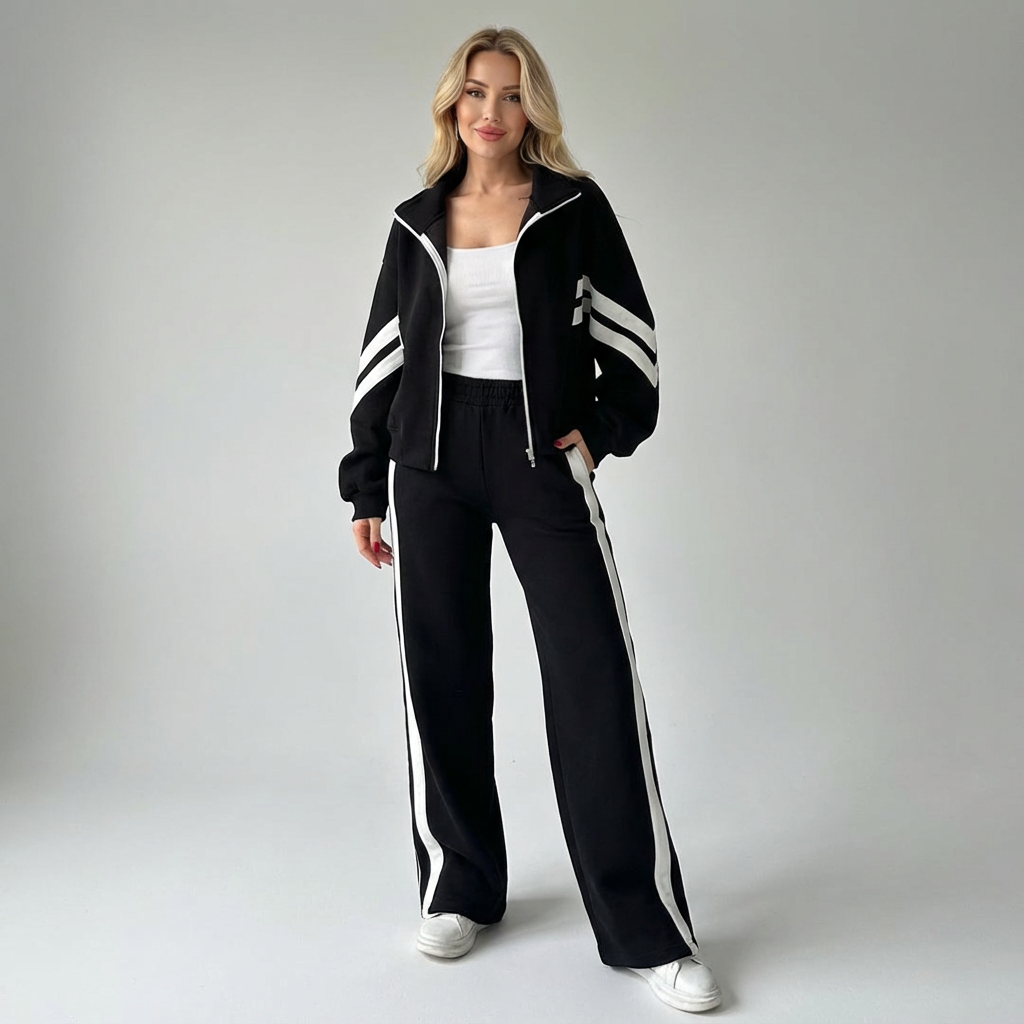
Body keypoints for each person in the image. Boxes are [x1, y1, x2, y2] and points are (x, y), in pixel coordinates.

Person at [338, 25, 722, 1015]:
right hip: (428, 464)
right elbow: (384, 354)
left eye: (510, 94)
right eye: (475, 91)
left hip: (537, 456)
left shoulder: (572, 210)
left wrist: (599, 434)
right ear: (451, 103)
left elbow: (631, 339)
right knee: (441, 673)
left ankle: (646, 931)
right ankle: (460, 884)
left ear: (532, 108)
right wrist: (366, 484)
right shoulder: (416, 221)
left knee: (593, 677)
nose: (491, 111)